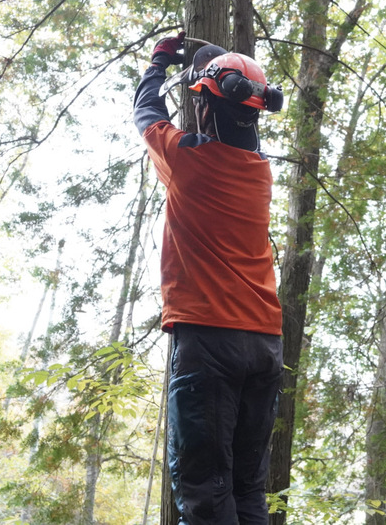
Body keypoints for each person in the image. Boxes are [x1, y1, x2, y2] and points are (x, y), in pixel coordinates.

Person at [133, 30, 284, 524]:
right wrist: (209, 71)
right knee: (246, 490)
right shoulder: (259, 171)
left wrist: (159, 62)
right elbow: (226, 127)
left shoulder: (186, 160)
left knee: (205, 488)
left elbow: (146, 111)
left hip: (209, 342)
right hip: (264, 345)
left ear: (202, 107)